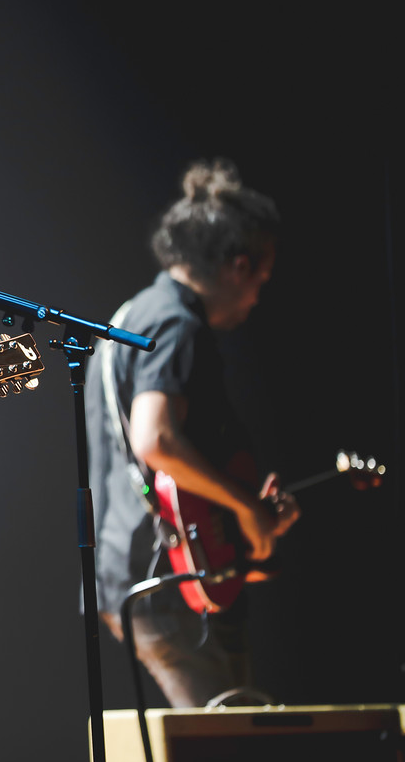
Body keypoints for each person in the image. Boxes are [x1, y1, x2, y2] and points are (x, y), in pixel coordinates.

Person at [85, 159, 300, 708]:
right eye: (261, 281)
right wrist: (246, 509)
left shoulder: (134, 313)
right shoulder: (178, 324)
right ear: (238, 265)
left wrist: (239, 507)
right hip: (165, 582)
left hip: (129, 568)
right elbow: (155, 442)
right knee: (227, 751)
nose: (257, 298)